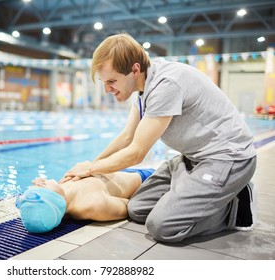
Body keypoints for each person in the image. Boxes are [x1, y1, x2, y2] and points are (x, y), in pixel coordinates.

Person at [60, 33, 257, 243]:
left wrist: (90, 170)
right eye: (104, 82)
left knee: (162, 226)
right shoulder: (143, 88)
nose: (107, 89)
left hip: (228, 159)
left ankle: (234, 206)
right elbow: (127, 137)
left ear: (135, 69)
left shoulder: (165, 86)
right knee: (137, 209)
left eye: (112, 81)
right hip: (192, 159)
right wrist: (91, 165)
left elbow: (136, 153)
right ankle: (189, 187)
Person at [16, 168, 154, 233]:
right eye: (40, 187)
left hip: (118, 169)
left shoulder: (61, 191)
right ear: (56, 201)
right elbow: (128, 205)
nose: (38, 181)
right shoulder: (93, 205)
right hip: (143, 177)